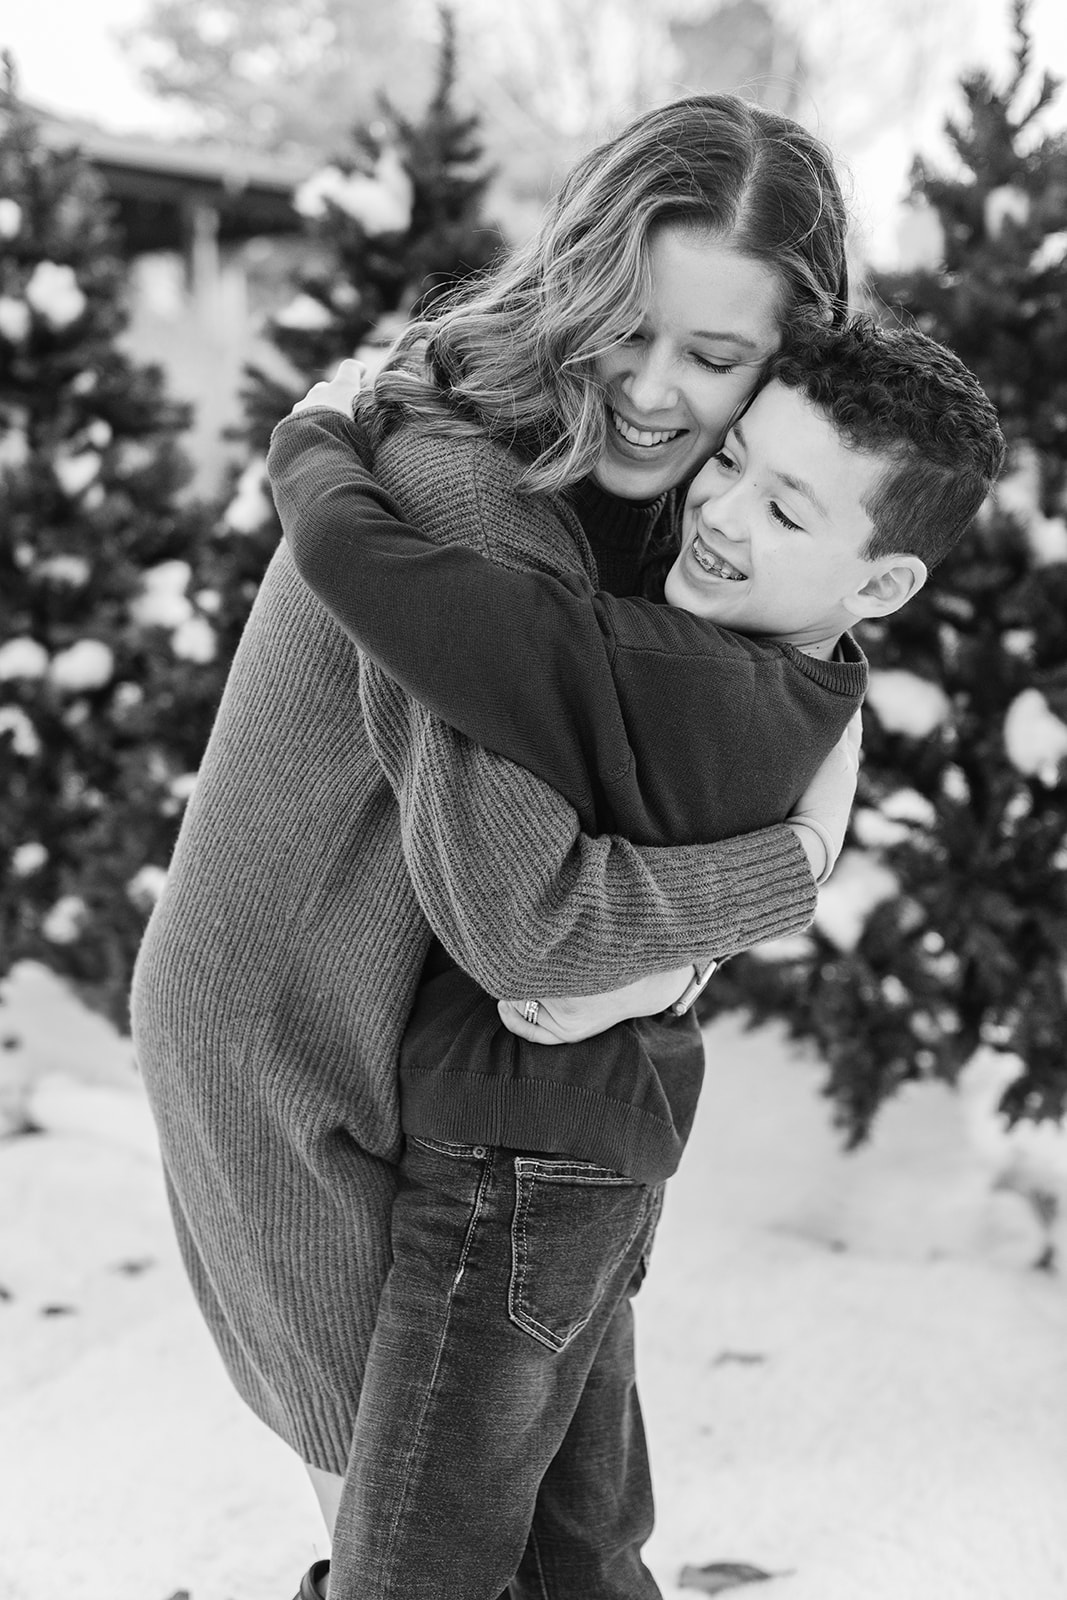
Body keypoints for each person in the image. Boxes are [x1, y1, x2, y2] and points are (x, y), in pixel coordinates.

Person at [130, 94, 858, 1600]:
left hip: (451, 1086)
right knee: (431, 1555)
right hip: (291, 1074)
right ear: (574, 286)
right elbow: (530, 930)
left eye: (714, 359)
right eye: (623, 330)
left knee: (542, 1548)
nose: (653, 393)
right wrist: (790, 864)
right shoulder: (481, 502)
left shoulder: (635, 502)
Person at [269, 317, 1004, 1597]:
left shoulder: (663, 673)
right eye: (731, 464)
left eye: (784, 509)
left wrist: (319, 430)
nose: (718, 513)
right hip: (597, 1160)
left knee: (412, 1566)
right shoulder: (806, 680)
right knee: (579, 1555)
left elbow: (367, 566)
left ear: (879, 583)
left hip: (509, 1173)